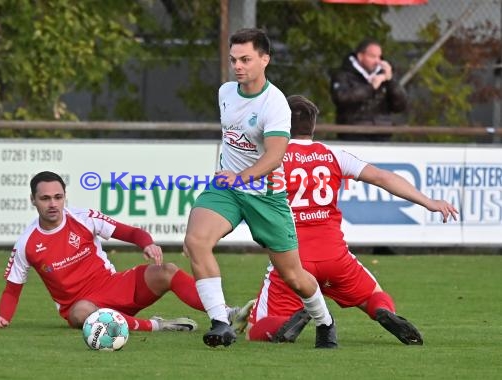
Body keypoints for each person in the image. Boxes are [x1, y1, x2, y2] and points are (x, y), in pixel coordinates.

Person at [241, 95, 459, 345]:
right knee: (374, 296)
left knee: (254, 331)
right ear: (312, 125)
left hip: (293, 259)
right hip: (335, 257)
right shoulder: (333, 155)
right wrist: (429, 202)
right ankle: (383, 313)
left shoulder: (270, 159)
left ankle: (290, 321)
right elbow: (382, 177)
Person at [183, 28, 336, 349]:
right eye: (233, 59)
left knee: (294, 276)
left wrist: (241, 178)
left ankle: (324, 321)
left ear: (265, 59)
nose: (238, 66)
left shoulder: (275, 103)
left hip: (266, 195)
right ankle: (220, 322)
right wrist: (231, 178)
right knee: (196, 241)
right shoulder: (226, 91)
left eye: (246, 59)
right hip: (227, 189)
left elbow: (275, 155)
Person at [0, 171, 242, 332]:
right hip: (82, 307)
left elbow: (129, 232)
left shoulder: (83, 217)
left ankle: (225, 313)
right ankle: (158, 325)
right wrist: (3, 317)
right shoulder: (26, 243)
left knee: (167, 271)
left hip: (115, 286)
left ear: (65, 196)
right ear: (33, 200)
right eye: (45, 199)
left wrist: (148, 243)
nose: (53, 204)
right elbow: (12, 289)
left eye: (58, 197)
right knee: (81, 312)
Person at [330, 38, 407, 142]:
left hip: (382, 133)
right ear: (360, 56)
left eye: (379, 57)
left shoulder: (384, 76)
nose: (377, 61)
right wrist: (371, 88)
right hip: (353, 133)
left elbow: (400, 106)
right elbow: (342, 98)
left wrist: (390, 81)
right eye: (372, 56)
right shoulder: (343, 75)